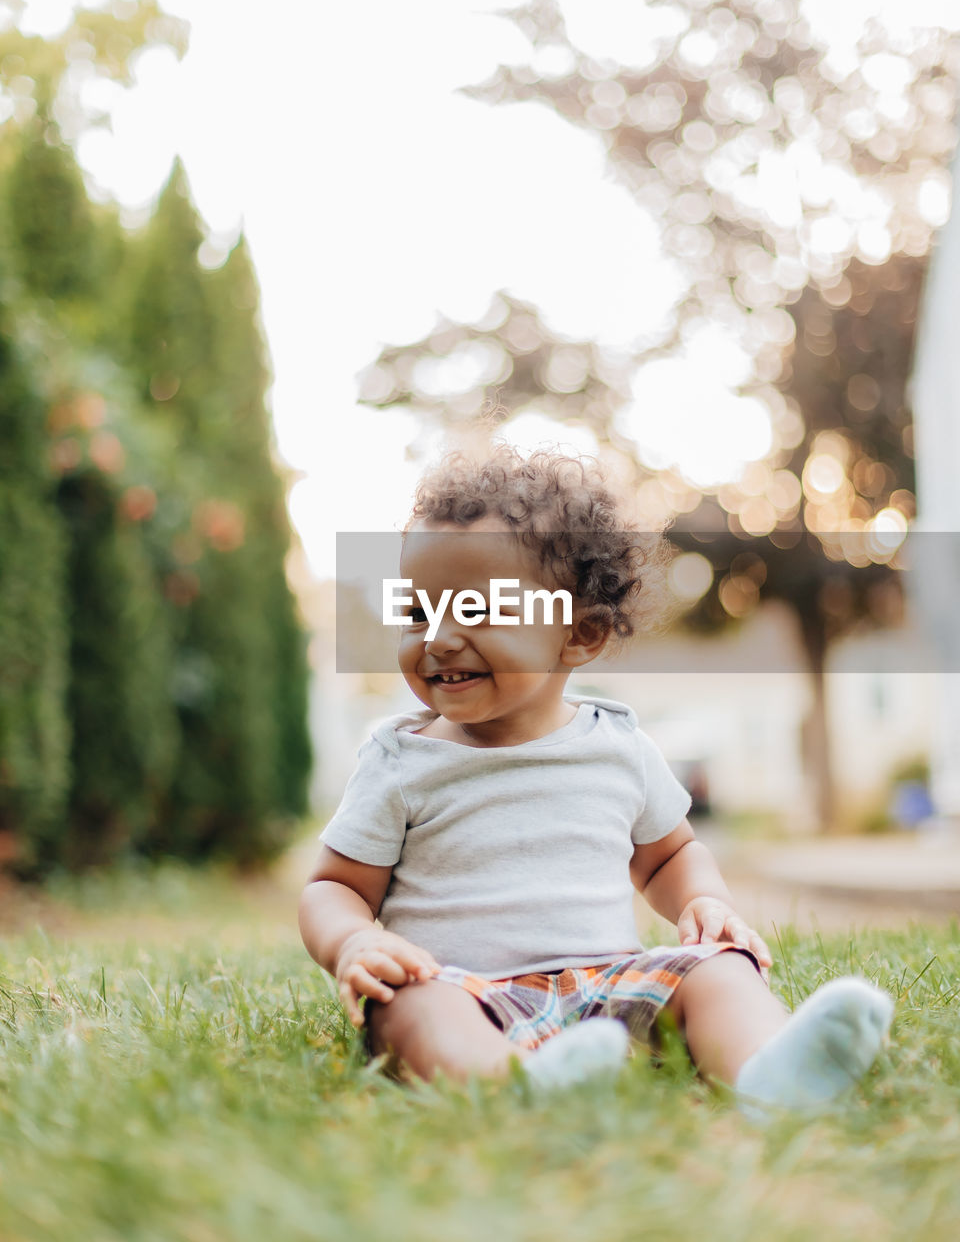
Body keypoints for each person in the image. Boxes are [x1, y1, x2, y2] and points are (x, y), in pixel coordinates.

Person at [299, 446, 893, 1112]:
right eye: (416, 613)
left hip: (613, 986)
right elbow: (333, 886)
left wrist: (703, 902)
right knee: (408, 1007)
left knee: (720, 971)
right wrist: (356, 940)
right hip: (466, 991)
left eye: (473, 611)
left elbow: (670, 853)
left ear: (579, 634)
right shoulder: (402, 760)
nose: (436, 639)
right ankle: (513, 1087)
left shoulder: (618, 745)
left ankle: (768, 1071)